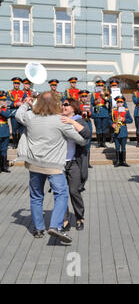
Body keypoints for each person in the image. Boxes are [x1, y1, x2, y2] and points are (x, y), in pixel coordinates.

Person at [15, 92, 89, 243]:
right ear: (56, 104)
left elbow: (18, 115)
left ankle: (38, 229)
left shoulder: (30, 117)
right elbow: (81, 141)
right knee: (61, 195)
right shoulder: (60, 120)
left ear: (38, 103)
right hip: (54, 166)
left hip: (34, 164)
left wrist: (26, 103)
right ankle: (55, 226)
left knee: (36, 196)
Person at [60, 98, 91, 232]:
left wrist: (71, 122)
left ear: (73, 107)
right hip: (59, 162)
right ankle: (65, 219)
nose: (63, 106)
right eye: (62, 104)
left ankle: (79, 217)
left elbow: (87, 134)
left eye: (66, 105)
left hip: (74, 162)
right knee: (61, 193)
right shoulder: (58, 119)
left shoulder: (79, 120)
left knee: (74, 191)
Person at [111, 95, 133, 167]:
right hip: (116, 131)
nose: (120, 103)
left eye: (121, 102)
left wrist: (124, 119)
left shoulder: (126, 111)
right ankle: (117, 161)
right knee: (117, 147)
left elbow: (130, 120)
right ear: (116, 103)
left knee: (123, 147)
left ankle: (123, 161)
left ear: (123, 103)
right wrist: (112, 124)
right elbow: (109, 120)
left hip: (123, 130)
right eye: (118, 102)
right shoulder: (113, 110)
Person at [7, 77, 26, 149]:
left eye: (18, 83)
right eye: (15, 83)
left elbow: (26, 101)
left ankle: (20, 144)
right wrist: (15, 104)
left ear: (20, 84)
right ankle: (15, 144)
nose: (16, 84)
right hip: (14, 113)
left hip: (21, 113)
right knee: (14, 130)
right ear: (13, 84)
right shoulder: (9, 92)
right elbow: (7, 102)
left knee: (21, 130)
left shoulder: (23, 93)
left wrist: (23, 103)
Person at [91, 80, 110, 148]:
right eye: (99, 85)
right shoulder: (93, 94)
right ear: (97, 86)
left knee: (104, 128)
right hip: (97, 112)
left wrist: (103, 95)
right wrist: (92, 113)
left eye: (102, 85)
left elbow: (109, 100)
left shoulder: (106, 93)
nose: (101, 87)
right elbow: (91, 103)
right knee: (98, 128)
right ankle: (99, 143)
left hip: (104, 112)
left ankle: (103, 142)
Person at [79, 90, 93, 168]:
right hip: (81, 123)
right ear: (80, 97)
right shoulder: (77, 105)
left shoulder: (89, 105)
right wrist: (82, 113)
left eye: (85, 96)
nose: (84, 98)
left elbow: (93, 115)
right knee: (81, 143)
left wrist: (89, 113)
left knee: (88, 143)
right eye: (83, 96)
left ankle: (87, 163)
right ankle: (81, 162)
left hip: (88, 123)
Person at [0, 91, 11, 173]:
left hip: (5, 131)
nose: (4, 101)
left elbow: (7, 115)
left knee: (4, 149)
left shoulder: (6, 109)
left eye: (5, 100)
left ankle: (4, 167)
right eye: (2, 100)